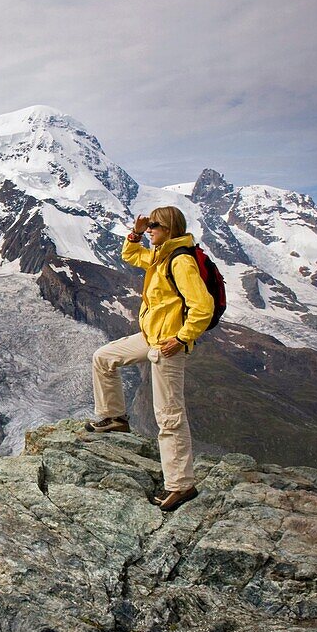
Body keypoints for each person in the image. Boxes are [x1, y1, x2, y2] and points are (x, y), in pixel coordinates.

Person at [88, 206, 215, 512]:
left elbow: (203, 306)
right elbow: (132, 256)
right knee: (103, 358)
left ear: (169, 228)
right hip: (150, 337)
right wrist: (135, 233)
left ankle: (181, 485)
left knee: (169, 416)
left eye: (154, 226)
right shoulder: (160, 255)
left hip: (167, 345)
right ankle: (115, 418)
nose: (150, 230)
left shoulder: (181, 261)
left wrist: (182, 338)